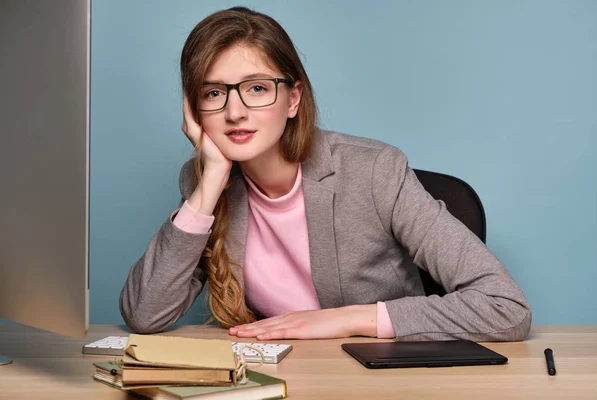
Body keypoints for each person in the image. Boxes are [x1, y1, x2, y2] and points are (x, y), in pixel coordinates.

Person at [120, 6, 531, 341]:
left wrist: (352, 319)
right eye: (213, 93)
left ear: (293, 98)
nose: (234, 111)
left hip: (381, 378)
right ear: (193, 112)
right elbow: (145, 314)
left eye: (257, 88)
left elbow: (506, 307)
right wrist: (209, 185)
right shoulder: (202, 185)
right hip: (280, 377)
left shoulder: (374, 171)